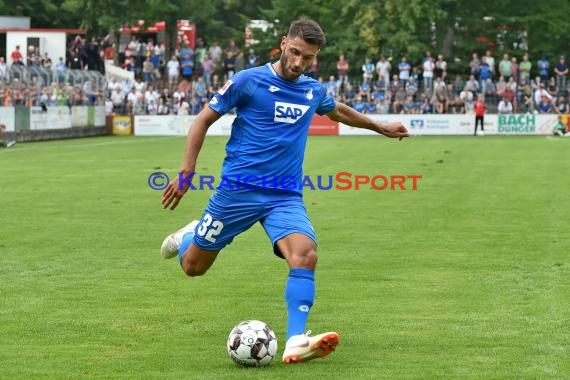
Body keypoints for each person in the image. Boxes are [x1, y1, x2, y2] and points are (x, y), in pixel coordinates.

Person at [159, 19, 409, 365]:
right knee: (193, 268)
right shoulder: (249, 81)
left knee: (305, 255)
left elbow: (337, 110)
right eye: (294, 53)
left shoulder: (312, 90)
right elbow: (202, 119)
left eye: (308, 58)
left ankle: (296, 340)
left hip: (284, 196)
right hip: (237, 192)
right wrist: (187, 171)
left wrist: (379, 126)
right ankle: (189, 235)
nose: (298, 63)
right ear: (282, 44)